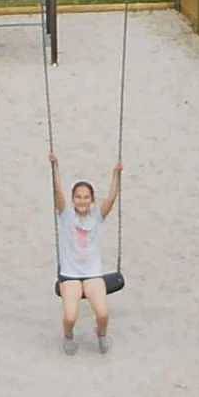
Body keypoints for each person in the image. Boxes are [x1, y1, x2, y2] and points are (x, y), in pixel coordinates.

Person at [49, 152, 122, 356]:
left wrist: (116, 174)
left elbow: (112, 197)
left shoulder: (97, 216)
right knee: (70, 317)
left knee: (103, 314)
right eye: (78, 197)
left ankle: (101, 334)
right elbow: (57, 192)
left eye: (86, 197)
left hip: (92, 274)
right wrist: (55, 167)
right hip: (70, 275)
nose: (82, 201)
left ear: (91, 200)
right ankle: (68, 336)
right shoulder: (65, 216)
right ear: (73, 199)